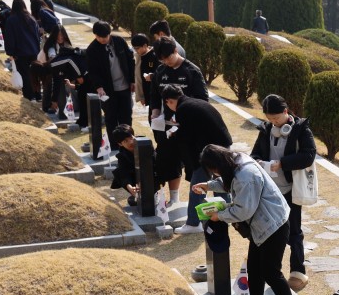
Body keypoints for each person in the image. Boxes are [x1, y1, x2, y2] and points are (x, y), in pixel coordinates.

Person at [192, 145, 301, 295]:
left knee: (270, 271)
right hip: (262, 225)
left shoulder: (246, 175)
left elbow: (243, 210)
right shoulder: (235, 161)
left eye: (213, 170)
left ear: (219, 164)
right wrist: (209, 185)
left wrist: (221, 216)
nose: (215, 173)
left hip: (273, 224)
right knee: (254, 268)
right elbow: (229, 182)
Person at [251, 94, 315, 291]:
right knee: (268, 230)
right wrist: (259, 162)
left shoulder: (300, 129)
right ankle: (270, 268)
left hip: (289, 190)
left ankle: (298, 269)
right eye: (270, 119)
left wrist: (282, 164)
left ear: (286, 112)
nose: (274, 122)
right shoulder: (266, 129)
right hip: (269, 190)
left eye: (277, 118)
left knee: (294, 231)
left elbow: (308, 156)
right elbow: (255, 153)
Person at [161, 83, 232, 234]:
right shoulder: (195, 102)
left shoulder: (183, 109)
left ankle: (194, 223)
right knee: (222, 182)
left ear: (169, 101)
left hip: (209, 152)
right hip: (223, 146)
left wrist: (175, 135)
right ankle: (227, 215)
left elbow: (187, 139)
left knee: (197, 186)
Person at [134, 33, 182, 196]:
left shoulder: (190, 70)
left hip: (181, 124)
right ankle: (167, 194)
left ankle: (178, 197)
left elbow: (201, 99)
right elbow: (154, 94)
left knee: (178, 159)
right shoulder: (160, 71)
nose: (166, 62)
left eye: (168, 57)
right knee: (165, 155)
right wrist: (155, 110)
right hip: (161, 122)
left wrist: (180, 114)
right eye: (162, 59)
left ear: (175, 51)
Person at [84, 21, 136, 151]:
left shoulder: (119, 41)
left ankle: (129, 144)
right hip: (107, 90)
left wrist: (132, 80)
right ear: (95, 35)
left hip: (124, 86)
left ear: (110, 34)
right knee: (110, 117)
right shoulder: (92, 49)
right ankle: (113, 145)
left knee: (126, 116)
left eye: (105, 36)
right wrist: (99, 86)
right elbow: (93, 71)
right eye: (99, 37)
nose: (103, 39)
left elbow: (130, 60)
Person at [1, 0, 42, 103]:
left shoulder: (11, 20)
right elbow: (37, 36)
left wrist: (10, 52)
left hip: (20, 52)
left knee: (25, 74)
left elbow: (10, 37)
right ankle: (38, 94)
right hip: (34, 51)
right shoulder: (31, 19)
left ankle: (29, 96)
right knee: (35, 74)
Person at [107, 124, 146, 206]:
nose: (131, 142)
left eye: (131, 138)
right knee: (119, 172)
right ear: (120, 144)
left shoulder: (145, 144)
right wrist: (129, 186)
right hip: (135, 178)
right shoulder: (122, 155)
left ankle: (153, 193)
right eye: (125, 141)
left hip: (150, 175)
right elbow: (124, 173)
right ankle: (136, 193)